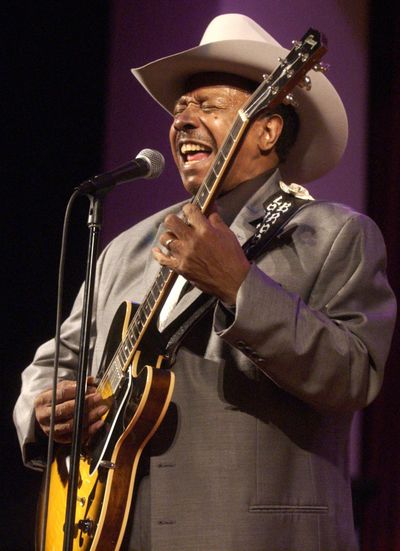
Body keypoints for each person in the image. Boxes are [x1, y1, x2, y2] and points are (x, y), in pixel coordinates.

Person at [14, 13, 396, 551]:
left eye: (208, 106)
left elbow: (353, 375)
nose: (184, 121)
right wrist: (43, 405)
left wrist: (240, 286)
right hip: (114, 527)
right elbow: (56, 360)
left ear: (267, 129)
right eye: (179, 111)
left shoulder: (333, 233)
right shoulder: (127, 247)